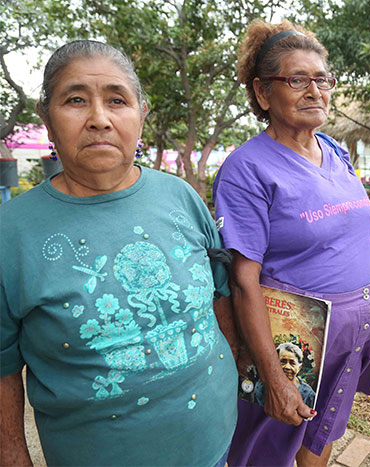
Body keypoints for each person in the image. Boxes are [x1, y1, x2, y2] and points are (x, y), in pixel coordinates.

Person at [0, 40, 238, 467]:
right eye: (75, 100)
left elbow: (220, 299)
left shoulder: (181, 196)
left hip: (214, 444)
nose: (99, 119)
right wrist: (13, 456)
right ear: (47, 118)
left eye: (117, 100)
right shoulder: (10, 234)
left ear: (141, 114)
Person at [212, 19, 370, 467]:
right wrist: (275, 377)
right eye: (297, 80)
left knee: (321, 430)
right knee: (267, 447)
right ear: (263, 93)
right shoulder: (246, 169)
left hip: (350, 335)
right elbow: (243, 280)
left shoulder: (334, 150)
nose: (315, 91)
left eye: (322, 79)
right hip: (293, 345)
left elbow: (342, 214)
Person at [255, 342, 316, 407]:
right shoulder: (262, 386)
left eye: (292, 363)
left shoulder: (308, 394)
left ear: (299, 367)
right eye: (283, 361)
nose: (287, 367)